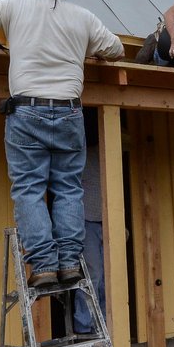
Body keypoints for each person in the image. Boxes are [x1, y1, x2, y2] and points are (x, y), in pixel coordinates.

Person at [0, 0, 124, 288]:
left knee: (29, 188)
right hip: (69, 110)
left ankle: (45, 265)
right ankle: (68, 261)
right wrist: (88, 51)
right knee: (68, 188)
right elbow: (117, 49)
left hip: (27, 109)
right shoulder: (83, 17)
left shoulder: (15, 6)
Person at [73, 114, 105, 335]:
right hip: (86, 223)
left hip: (107, 222)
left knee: (105, 279)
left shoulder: (109, 154)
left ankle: (102, 325)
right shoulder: (79, 156)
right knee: (91, 275)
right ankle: (84, 327)